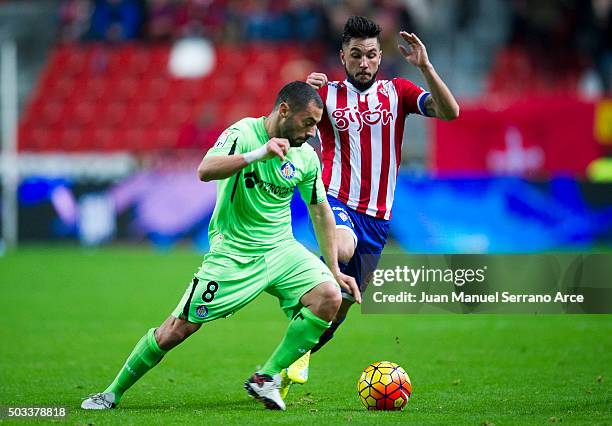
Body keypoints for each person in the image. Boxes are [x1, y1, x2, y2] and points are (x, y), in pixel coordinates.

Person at [81, 81, 359, 412]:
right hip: (234, 255)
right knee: (177, 330)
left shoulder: (306, 157)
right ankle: (111, 393)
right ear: (284, 110)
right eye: (308, 122)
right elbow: (205, 170)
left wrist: (334, 269)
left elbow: (320, 209)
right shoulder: (243, 133)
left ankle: (266, 377)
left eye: (317, 124)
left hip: (282, 249)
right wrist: (259, 153)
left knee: (329, 295)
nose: (313, 132)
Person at [281, 16, 459, 395]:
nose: (365, 62)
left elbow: (450, 112)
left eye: (372, 55)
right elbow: (284, 124)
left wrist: (425, 66)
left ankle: (296, 352)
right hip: (335, 198)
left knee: (344, 303)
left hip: (377, 217)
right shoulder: (325, 95)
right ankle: (296, 284)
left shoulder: (399, 91)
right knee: (342, 248)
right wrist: (302, 93)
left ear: (381, 57)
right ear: (342, 56)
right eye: (356, 54)